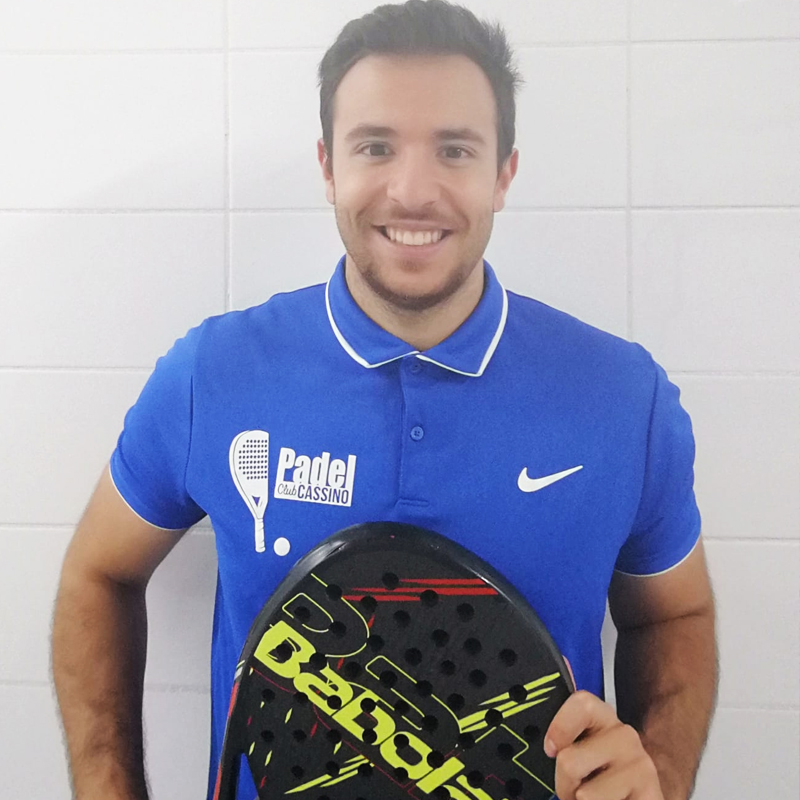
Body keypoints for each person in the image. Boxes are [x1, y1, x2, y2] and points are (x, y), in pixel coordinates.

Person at [51, 2, 717, 799]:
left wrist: (658, 776)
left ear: (504, 174)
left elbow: (674, 616)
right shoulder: (213, 375)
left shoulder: (623, 399)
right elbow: (98, 573)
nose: (412, 191)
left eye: (454, 150)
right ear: (329, 166)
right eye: (375, 147)